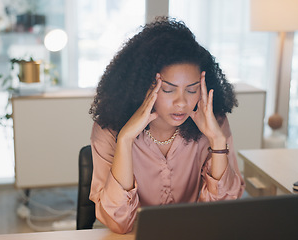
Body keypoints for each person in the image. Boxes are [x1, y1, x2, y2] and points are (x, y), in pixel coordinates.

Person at [88, 17, 245, 234]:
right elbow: (120, 223)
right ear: (142, 86)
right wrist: (125, 140)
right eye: (169, 90)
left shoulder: (213, 124)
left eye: (191, 90)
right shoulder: (110, 130)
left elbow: (222, 214)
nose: (181, 102)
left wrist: (217, 141)